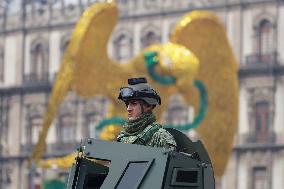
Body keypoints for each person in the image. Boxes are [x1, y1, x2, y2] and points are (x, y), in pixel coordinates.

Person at [117, 77, 177, 150]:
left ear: (148, 106)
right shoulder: (124, 135)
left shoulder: (160, 137)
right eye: (127, 104)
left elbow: (168, 160)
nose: (128, 109)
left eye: (134, 103)